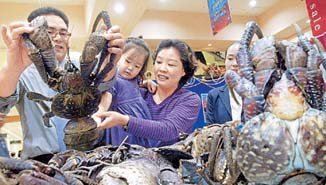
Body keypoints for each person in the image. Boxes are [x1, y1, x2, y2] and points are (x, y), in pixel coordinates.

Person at [0, 7, 124, 163]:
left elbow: (106, 88)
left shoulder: (82, 60)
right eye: (49, 32)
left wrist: (110, 61)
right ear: (33, 35)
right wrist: (13, 68)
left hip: (88, 155)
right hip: (41, 162)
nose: (58, 38)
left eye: (63, 33)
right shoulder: (23, 69)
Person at [95, 39, 201, 147]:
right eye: (159, 62)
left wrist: (125, 121)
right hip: (127, 159)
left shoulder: (189, 99)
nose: (162, 68)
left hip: (167, 162)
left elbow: (169, 129)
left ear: (184, 70)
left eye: (171, 64)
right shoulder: (141, 93)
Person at [102, 37, 153, 147]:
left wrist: (147, 83)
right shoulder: (113, 79)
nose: (130, 68)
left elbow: (135, 87)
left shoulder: (135, 80)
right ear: (118, 58)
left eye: (137, 66)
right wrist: (101, 111)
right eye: (127, 61)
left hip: (138, 125)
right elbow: (107, 95)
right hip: (121, 129)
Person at [205, 43, 242, 125]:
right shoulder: (214, 95)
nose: (235, 63)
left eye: (240, 58)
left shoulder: (261, 93)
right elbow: (210, 127)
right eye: (230, 58)